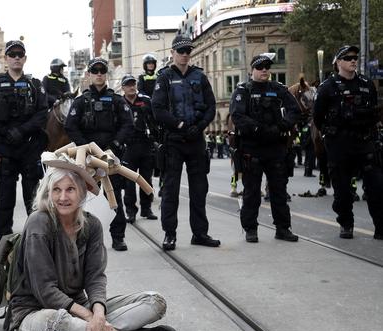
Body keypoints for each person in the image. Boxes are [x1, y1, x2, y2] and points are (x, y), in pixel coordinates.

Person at [6, 156, 179, 331]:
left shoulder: (92, 225)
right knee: (58, 323)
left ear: (82, 193)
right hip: (34, 313)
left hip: (80, 307)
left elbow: (95, 277)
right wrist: (90, 318)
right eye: (56, 190)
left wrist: (97, 312)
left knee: (155, 301)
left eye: (70, 189)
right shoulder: (38, 223)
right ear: (48, 193)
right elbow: (44, 291)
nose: (62, 197)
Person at [152, 35, 221, 251]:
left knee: (199, 190)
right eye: (181, 51)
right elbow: (158, 109)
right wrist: (180, 126)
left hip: (196, 140)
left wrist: (199, 127)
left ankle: (200, 233)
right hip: (174, 141)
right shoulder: (164, 77)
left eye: (188, 51)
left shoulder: (199, 76)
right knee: (171, 191)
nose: (184, 55)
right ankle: (169, 234)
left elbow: (211, 106)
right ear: (172, 52)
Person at [0, 40, 48, 256]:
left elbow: (42, 113)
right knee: (5, 200)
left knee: (34, 200)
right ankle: (2, 241)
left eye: (20, 54)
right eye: (12, 54)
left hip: (29, 149)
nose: (16, 57)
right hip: (5, 150)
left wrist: (22, 131)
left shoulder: (35, 85)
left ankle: (35, 240)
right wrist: (4, 132)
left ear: (25, 58)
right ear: (6, 59)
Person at [313, 45, 383, 240]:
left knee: (377, 187)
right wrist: (331, 135)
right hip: (340, 145)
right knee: (343, 191)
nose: (353, 60)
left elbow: (373, 112)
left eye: (355, 57)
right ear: (338, 63)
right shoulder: (327, 87)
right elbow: (317, 117)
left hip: (365, 142)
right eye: (348, 57)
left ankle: (381, 227)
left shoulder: (367, 84)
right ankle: (346, 224)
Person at [229, 54, 301, 243]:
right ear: (252, 70)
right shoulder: (243, 90)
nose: (264, 71)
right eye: (260, 67)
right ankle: (251, 228)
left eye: (267, 67)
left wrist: (282, 126)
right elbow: (237, 116)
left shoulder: (278, 89)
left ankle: (283, 228)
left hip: (276, 148)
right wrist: (258, 129)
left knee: (278, 191)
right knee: (252, 192)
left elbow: (295, 111)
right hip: (252, 148)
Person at [65, 58, 134, 251]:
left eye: (102, 70)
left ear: (106, 74)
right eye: (94, 71)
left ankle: (118, 236)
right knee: (86, 198)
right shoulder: (81, 101)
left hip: (110, 156)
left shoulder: (116, 100)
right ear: (88, 74)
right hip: (88, 158)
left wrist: (115, 144)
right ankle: (84, 238)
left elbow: (128, 124)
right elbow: (70, 125)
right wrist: (85, 147)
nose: (98, 74)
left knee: (114, 197)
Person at [119, 74, 158, 223]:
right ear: (123, 87)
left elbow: (155, 120)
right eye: (128, 84)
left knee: (146, 179)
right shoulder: (119, 102)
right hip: (128, 147)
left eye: (133, 84)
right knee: (129, 181)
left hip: (145, 144)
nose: (131, 87)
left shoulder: (146, 101)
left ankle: (146, 209)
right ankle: (130, 211)